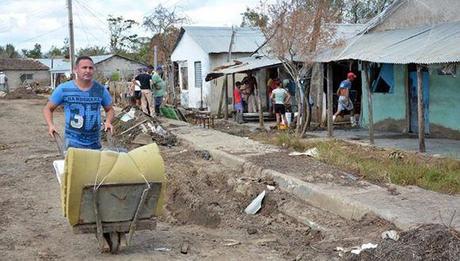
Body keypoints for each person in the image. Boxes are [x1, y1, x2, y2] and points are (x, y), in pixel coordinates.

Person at [43, 56, 114, 150]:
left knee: (93, 164)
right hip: (73, 142)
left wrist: (108, 122)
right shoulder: (64, 89)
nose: (88, 70)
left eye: (90, 68)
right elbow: (48, 108)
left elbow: (109, 109)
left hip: (94, 142)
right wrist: (51, 125)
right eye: (84, 67)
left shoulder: (100, 90)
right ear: (76, 69)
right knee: (75, 164)